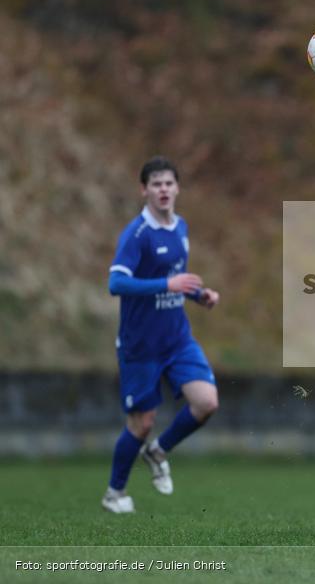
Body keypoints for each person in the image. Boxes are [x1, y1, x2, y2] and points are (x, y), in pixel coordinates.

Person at [102, 156, 220, 514]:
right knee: (142, 423)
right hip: (141, 345)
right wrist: (167, 283)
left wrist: (198, 295)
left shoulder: (180, 228)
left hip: (177, 338)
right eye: (156, 184)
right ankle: (115, 493)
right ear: (144, 190)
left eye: (169, 183)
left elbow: (174, 279)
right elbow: (116, 282)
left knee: (206, 402)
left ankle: (159, 451)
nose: (163, 189)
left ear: (177, 188)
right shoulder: (136, 234)